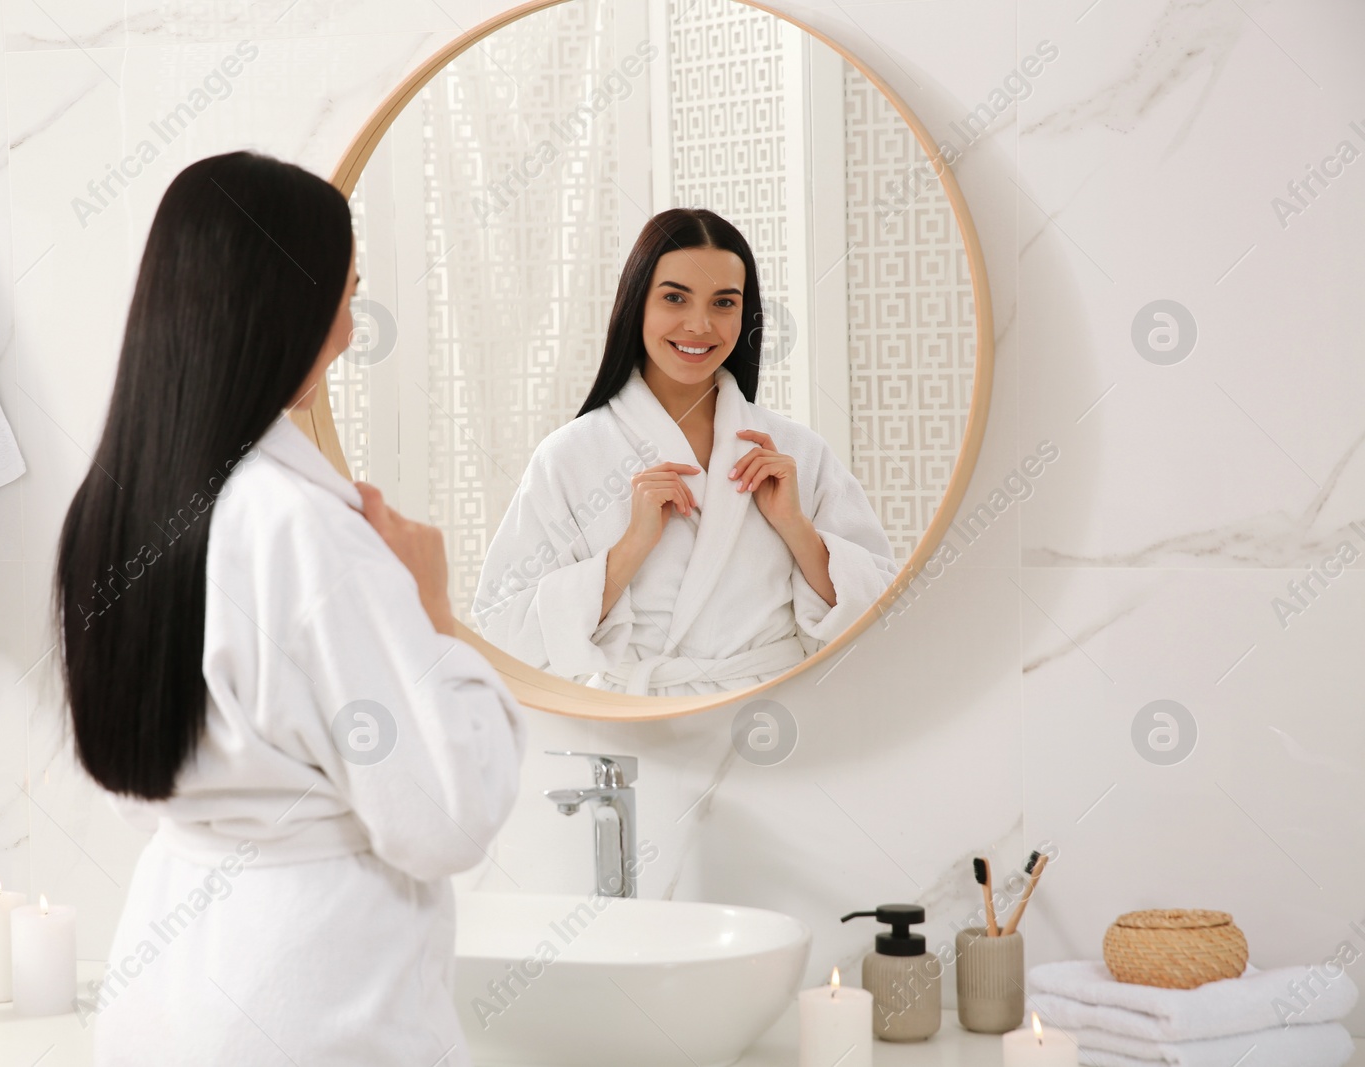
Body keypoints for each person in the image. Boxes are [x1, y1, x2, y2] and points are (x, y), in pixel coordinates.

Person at [53, 151, 525, 1066]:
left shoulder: (114, 506)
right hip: (311, 1006)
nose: (350, 328)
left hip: (162, 986)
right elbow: (441, 821)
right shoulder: (302, 530)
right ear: (278, 306)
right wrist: (434, 617)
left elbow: (139, 777)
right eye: (341, 296)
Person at [474, 208, 897, 696]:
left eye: (723, 303)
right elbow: (505, 632)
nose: (699, 325)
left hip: (775, 712)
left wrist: (797, 530)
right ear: (638, 304)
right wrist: (630, 548)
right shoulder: (570, 456)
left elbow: (882, 614)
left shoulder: (797, 451)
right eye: (675, 297)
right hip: (637, 722)